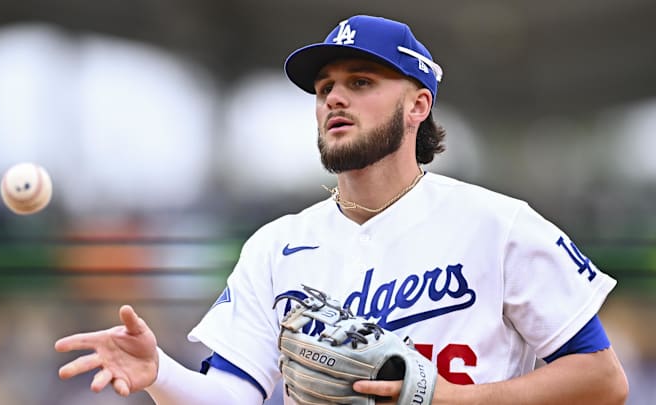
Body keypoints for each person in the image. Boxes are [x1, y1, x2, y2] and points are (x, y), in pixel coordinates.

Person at [54, 14, 629, 404]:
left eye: (360, 81)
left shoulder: (500, 226)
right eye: (325, 85)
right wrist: (163, 375)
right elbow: (236, 395)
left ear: (417, 105)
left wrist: (444, 398)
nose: (333, 97)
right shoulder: (277, 246)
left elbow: (603, 380)